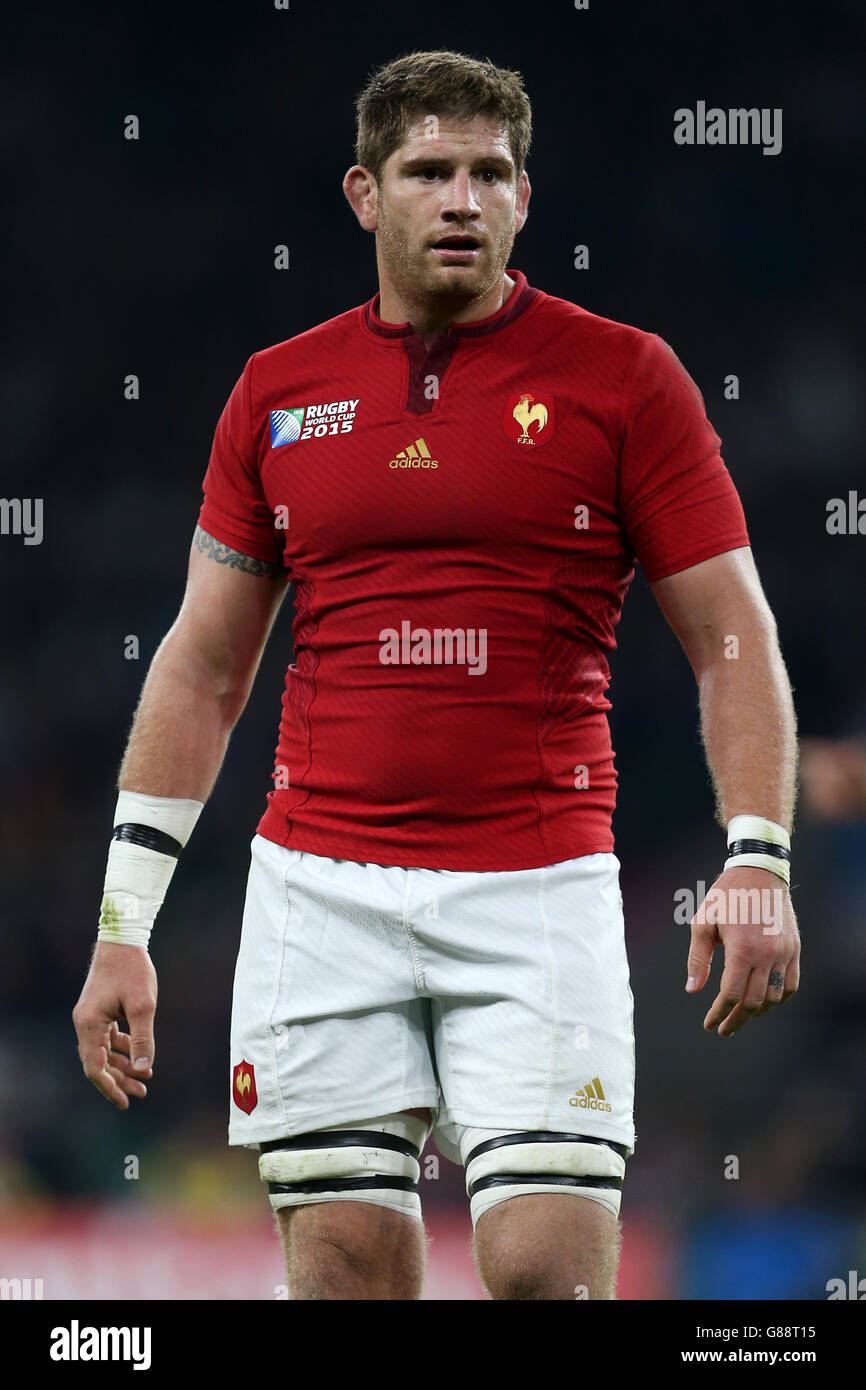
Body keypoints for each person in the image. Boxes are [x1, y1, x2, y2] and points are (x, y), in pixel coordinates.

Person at [73, 48, 800, 1300]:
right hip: (319, 889)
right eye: (427, 171)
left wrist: (755, 853)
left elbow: (731, 634)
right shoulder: (276, 393)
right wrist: (122, 926)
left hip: (536, 884)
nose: (460, 198)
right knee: (347, 1272)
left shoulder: (626, 379)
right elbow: (200, 668)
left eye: (488, 172)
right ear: (365, 194)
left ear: (525, 196)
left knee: (542, 1275)